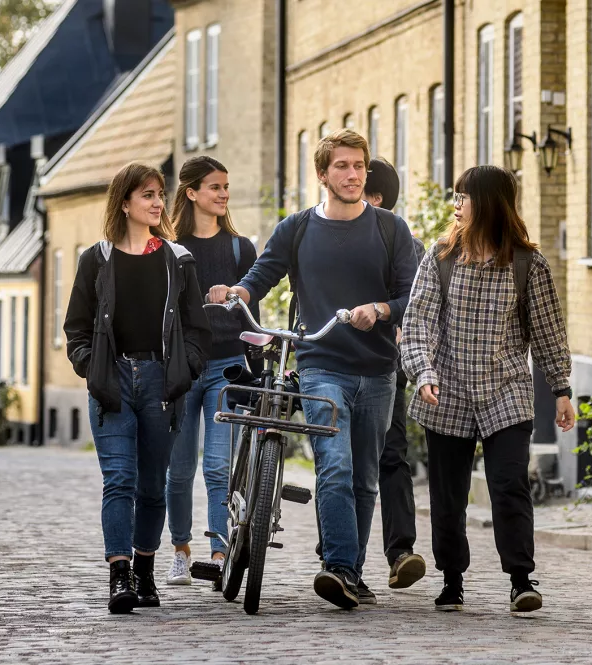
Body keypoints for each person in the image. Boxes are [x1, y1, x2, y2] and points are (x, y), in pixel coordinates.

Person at [207, 129, 418, 609]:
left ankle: (352, 573)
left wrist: (382, 310)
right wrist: (238, 292)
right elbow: (262, 275)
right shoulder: (297, 228)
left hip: (380, 370)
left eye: (359, 166)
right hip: (323, 365)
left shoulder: (391, 229)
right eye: (342, 166)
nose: (353, 174)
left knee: (364, 476)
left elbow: (413, 295)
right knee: (336, 466)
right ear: (323, 174)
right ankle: (339, 568)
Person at [401, 165, 575, 614]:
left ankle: (521, 579)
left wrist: (561, 387)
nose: (455, 205)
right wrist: (423, 373)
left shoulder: (526, 263)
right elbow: (417, 323)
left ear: (489, 203)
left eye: (463, 197)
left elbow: (549, 330)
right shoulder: (439, 257)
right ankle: (452, 579)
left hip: (506, 389)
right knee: (448, 496)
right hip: (447, 390)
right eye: (453, 197)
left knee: (509, 484)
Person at [64, 163, 212, 614]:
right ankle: (119, 576)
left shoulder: (176, 259)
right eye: (147, 195)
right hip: (112, 383)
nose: (156, 203)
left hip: (161, 384)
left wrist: (185, 370)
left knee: (152, 485)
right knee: (120, 480)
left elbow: (196, 329)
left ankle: (145, 570)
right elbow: (76, 328)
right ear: (124, 202)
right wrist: (93, 369)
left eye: (160, 195)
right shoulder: (97, 258)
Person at [164, 156, 258, 587]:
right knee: (179, 469)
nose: (223, 194)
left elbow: (249, 317)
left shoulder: (241, 249)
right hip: (182, 368)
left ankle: (219, 553)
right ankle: (181, 550)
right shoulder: (167, 248)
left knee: (219, 466)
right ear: (191, 193)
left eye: (225, 186)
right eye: (214, 187)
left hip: (227, 367)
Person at [363, 158, 427, 590]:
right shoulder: (326, 231)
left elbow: (420, 304)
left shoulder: (402, 241)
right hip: (334, 363)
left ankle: (400, 552)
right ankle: (338, 554)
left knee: (392, 453)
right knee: (340, 462)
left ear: (377, 198)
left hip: (386, 364)